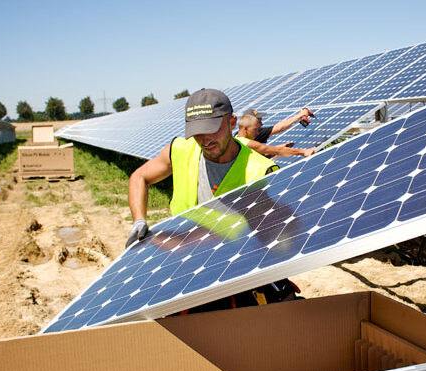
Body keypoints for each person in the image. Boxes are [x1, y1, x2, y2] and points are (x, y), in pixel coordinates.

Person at [126, 88, 298, 311]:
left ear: (232, 122)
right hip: (186, 267)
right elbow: (139, 177)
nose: (205, 140)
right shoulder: (181, 150)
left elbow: (254, 234)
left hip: (236, 272)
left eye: (212, 129)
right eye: (197, 132)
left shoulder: (261, 171)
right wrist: (139, 220)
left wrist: (186, 241)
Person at [236, 108, 316, 158]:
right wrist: (303, 152)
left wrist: (274, 149)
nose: (258, 133)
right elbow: (279, 128)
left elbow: (257, 154)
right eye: (258, 121)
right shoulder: (245, 142)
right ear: (246, 127)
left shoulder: (238, 140)